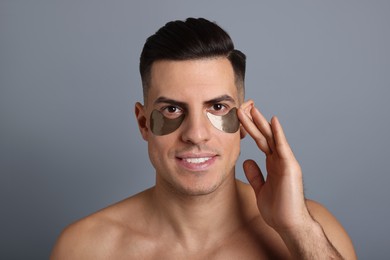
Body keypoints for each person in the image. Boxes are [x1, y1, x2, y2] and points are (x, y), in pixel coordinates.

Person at [51, 17, 356, 259]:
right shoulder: (85, 249)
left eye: (218, 107)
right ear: (144, 123)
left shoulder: (313, 231)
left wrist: (298, 230)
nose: (196, 134)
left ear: (243, 121)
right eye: (171, 109)